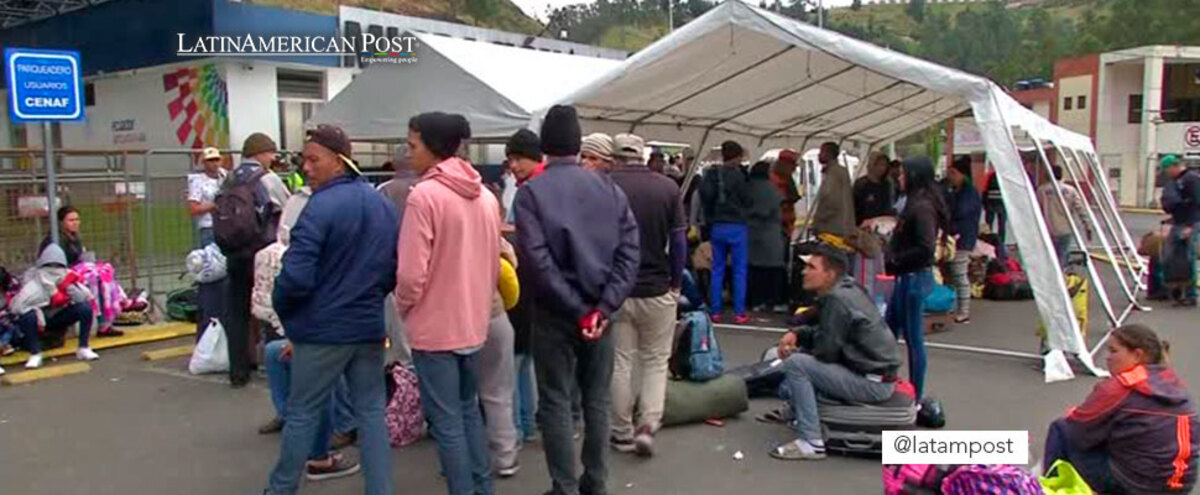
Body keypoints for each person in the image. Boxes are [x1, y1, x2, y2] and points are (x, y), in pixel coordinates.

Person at [513, 104, 640, 495]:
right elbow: (629, 254)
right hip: (601, 311)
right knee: (596, 400)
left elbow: (537, 262)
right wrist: (602, 308)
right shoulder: (610, 190)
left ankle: (564, 485)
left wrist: (578, 309)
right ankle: (596, 481)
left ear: (545, 146)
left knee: (554, 400)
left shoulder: (531, 193)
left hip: (554, 312)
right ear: (577, 143)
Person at [264, 124, 397, 495]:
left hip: (322, 330)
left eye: (313, 159)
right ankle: (380, 489)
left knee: (303, 412)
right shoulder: (381, 204)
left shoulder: (318, 207)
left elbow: (296, 277)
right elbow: (392, 268)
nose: (305, 167)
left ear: (339, 161)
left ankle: (280, 489)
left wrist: (287, 313)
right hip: (368, 324)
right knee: (371, 413)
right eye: (303, 159)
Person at [395, 112, 501, 495]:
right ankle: (480, 487)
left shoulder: (424, 196)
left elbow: (409, 275)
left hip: (434, 328)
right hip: (473, 323)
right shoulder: (486, 196)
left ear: (433, 147)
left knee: (447, 421)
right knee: (468, 410)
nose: (408, 154)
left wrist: (406, 308)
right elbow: (493, 262)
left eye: (412, 145)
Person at [763, 245, 901, 460]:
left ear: (829, 274)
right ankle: (795, 410)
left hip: (872, 383)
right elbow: (830, 334)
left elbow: (826, 353)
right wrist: (798, 334)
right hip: (875, 374)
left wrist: (796, 347)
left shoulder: (838, 300)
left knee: (796, 364)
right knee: (803, 358)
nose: (803, 271)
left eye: (811, 267)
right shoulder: (848, 287)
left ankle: (811, 442)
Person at [1043, 324, 1198, 494]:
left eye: (1113, 351)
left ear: (1138, 355)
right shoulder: (1173, 383)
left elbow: (1078, 431)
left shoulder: (1121, 387)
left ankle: (1049, 488)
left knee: (1061, 429)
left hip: (1135, 486)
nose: (1108, 358)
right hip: (1181, 485)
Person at [607, 133, 686, 457]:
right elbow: (679, 241)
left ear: (615, 155)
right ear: (643, 155)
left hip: (615, 289)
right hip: (657, 288)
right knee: (655, 361)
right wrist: (676, 283)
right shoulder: (667, 187)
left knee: (620, 361)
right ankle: (647, 425)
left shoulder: (604, 185)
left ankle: (622, 431)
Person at [221, 133, 290, 388]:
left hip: (234, 252)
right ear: (260, 152)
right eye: (270, 152)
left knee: (237, 310)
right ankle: (274, 365)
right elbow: (286, 206)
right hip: (262, 252)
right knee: (269, 309)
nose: (273, 158)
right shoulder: (267, 179)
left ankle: (238, 370)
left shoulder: (229, 178)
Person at [885, 157, 947, 400]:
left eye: (902, 174)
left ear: (914, 175)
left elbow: (925, 246)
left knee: (913, 339)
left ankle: (916, 395)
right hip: (907, 277)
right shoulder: (915, 202)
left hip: (913, 277)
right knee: (890, 332)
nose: (899, 178)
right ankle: (889, 382)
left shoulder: (921, 207)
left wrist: (897, 258)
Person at [39, 205, 124, 338]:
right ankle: (104, 322)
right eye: (71, 220)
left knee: (102, 277)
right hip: (59, 277)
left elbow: (79, 257)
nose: (75, 223)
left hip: (75, 274)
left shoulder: (75, 238)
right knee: (95, 280)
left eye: (77, 219)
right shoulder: (55, 240)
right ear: (61, 222)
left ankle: (106, 322)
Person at [11, 245, 100, 369]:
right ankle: (35, 353)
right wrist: (38, 312)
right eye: (50, 267)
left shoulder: (68, 277)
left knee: (84, 308)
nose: (54, 270)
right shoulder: (33, 281)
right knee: (28, 315)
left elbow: (83, 298)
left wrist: (68, 286)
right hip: (37, 322)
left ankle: (83, 347)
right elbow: (17, 306)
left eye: (58, 266)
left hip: (56, 318)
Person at [480, 239, 521, 478]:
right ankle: (505, 456)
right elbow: (509, 267)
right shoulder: (490, 230)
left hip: (452, 320)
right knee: (498, 393)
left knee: (462, 399)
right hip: (494, 314)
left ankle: (467, 458)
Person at [700, 140, 751, 324]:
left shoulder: (712, 174)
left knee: (717, 269)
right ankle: (739, 312)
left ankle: (715, 311)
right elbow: (747, 199)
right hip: (737, 226)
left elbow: (705, 197)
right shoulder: (740, 176)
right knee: (739, 270)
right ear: (737, 157)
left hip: (718, 226)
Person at [945, 156, 982, 324]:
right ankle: (957, 308)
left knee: (959, 274)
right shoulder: (959, 192)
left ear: (962, 175)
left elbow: (960, 212)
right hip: (958, 237)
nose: (950, 177)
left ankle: (963, 311)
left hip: (963, 238)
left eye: (953, 173)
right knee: (954, 273)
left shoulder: (968, 193)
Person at [746, 161, 787, 313]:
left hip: (751, 233)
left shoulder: (747, 187)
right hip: (770, 233)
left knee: (755, 270)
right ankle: (775, 301)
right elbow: (778, 208)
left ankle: (756, 301)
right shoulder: (772, 189)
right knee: (774, 269)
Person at [1160, 154, 1200, 307]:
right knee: (1172, 256)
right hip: (1178, 222)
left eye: (1167, 169)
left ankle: (1190, 294)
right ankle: (1176, 289)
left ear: (1174, 166)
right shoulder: (1175, 181)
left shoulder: (1191, 179)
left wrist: (1190, 226)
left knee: (1189, 258)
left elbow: (1197, 203)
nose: (1166, 173)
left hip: (1191, 223)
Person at [1037, 165, 1089, 266]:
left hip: (1048, 228)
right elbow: (1080, 209)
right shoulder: (1070, 190)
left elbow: (1037, 209)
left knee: (1049, 256)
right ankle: (1061, 276)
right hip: (1065, 229)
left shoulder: (1042, 190)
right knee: (1063, 255)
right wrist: (1087, 224)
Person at [810, 142, 856, 244]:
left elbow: (831, 200)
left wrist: (818, 222)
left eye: (822, 152)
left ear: (829, 154)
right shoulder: (842, 171)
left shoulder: (833, 173)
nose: (819, 155)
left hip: (832, 228)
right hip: (843, 226)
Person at [189, 147, 227, 248]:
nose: (214, 163)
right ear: (204, 163)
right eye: (210, 160)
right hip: (209, 226)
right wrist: (214, 205)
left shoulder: (225, 177)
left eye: (217, 160)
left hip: (226, 225)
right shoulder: (198, 181)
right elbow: (193, 209)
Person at [853, 152, 897, 227]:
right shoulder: (861, 184)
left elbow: (889, 205)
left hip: (883, 224)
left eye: (884, 165)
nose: (881, 168)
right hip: (864, 225)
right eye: (878, 164)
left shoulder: (887, 184)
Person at [772, 149, 803, 240]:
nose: (794, 168)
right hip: (778, 224)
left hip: (786, 224)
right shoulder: (775, 180)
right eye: (792, 165)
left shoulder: (788, 178)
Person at [984, 162, 1008, 259]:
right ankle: (1001, 243)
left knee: (989, 223)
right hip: (1002, 203)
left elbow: (985, 189)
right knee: (1001, 224)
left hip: (991, 203)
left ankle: (988, 240)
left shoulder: (990, 176)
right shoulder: (1004, 177)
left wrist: (985, 203)